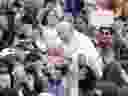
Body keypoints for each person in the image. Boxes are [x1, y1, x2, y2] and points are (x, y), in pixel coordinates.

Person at [56, 21, 103, 96]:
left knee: (80, 59)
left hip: (90, 70)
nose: (60, 36)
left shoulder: (82, 40)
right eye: (58, 33)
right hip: (71, 74)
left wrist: (69, 61)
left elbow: (88, 59)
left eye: (62, 33)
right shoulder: (60, 42)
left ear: (71, 31)